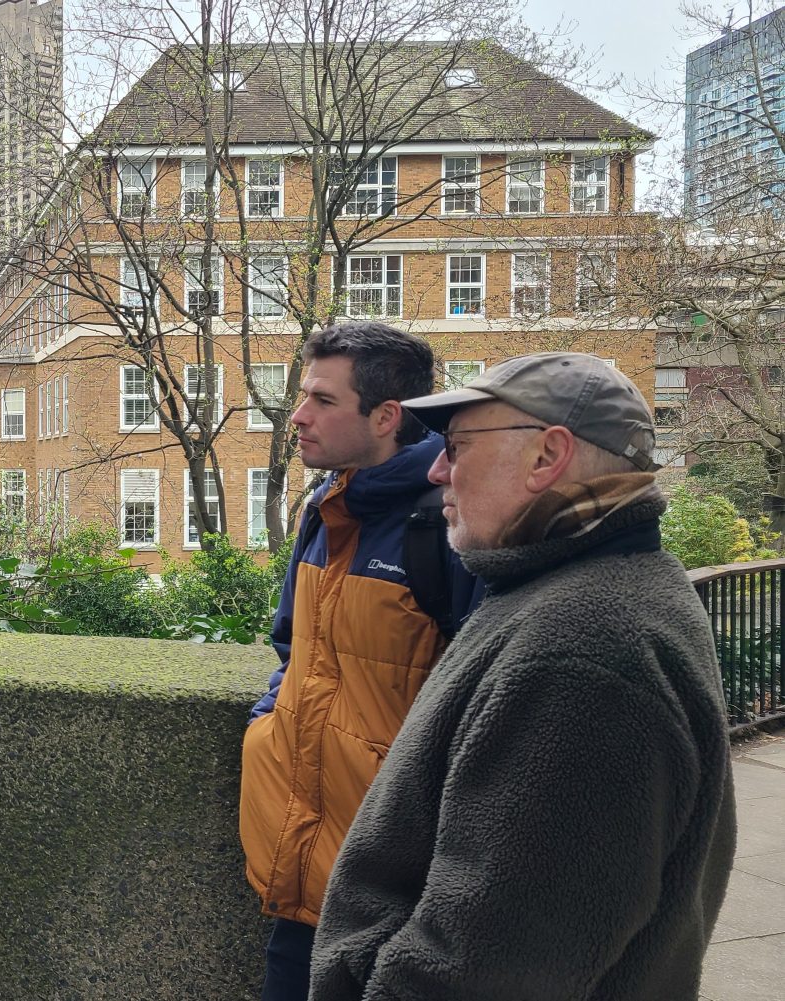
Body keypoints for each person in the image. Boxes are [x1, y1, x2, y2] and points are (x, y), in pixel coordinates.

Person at [309, 352, 737, 1000]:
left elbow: (481, 969)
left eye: (457, 446)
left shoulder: (581, 657)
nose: (436, 470)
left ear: (547, 456)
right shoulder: (582, 591)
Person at [239, 322, 480, 1001]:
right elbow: (294, 649)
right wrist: (268, 729)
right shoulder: (326, 507)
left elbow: (485, 697)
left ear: (385, 416)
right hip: (300, 861)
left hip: (398, 886)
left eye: (322, 400)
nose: (298, 415)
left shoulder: (450, 522)